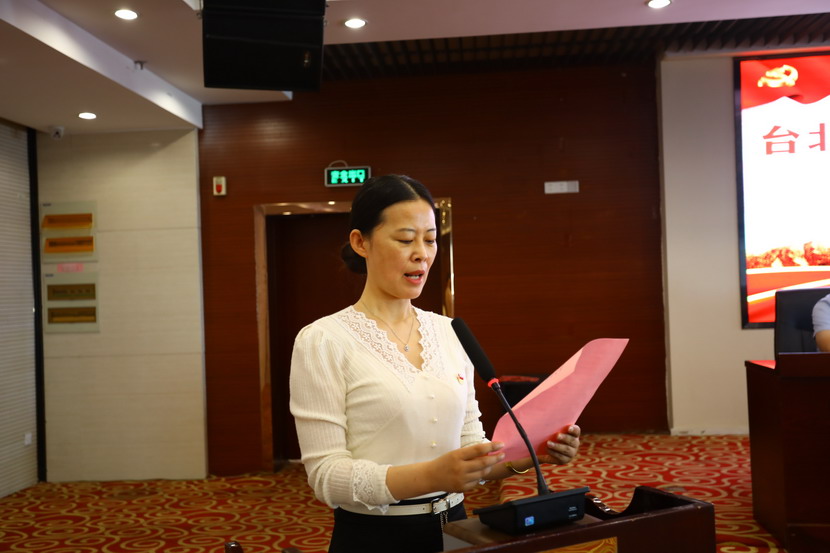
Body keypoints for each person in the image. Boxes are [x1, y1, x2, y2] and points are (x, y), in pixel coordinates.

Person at [289, 174, 581, 553]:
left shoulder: (450, 332)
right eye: (405, 239)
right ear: (361, 242)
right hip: (374, 537)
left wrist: (532, 455)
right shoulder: (323, 340)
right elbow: (327, 476)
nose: (421, 254)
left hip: (457, 529)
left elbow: (472, 448)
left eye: (430, 240)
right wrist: (432, 475)